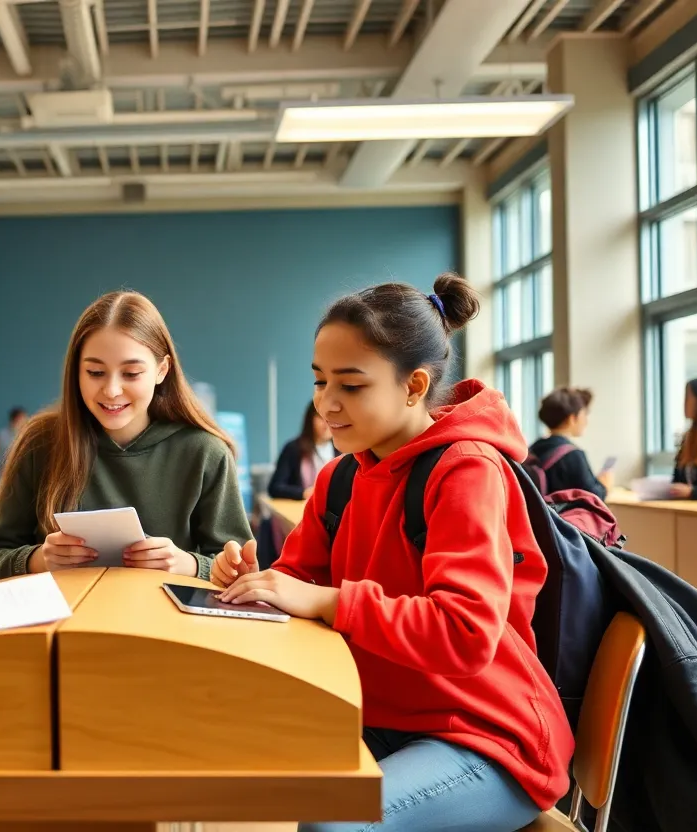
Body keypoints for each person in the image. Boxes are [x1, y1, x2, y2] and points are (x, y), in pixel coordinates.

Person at [212, 274, 574, 832]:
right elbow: (300, 584)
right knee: (215, 756)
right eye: (319, 382)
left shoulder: (466, 469)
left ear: (414, 386)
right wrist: (257, 582)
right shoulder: (339, 479)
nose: (326, 404)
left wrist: (329, 601)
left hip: (485, 738)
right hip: (381, 717)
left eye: (351, 386)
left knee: (333, 824)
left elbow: (467, 632)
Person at [0, 290, 253, 584]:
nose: (111, 390)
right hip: (64, 625)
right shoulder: (41, 442)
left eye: (131, 374)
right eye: (95, 372)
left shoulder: (205, 452)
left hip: (161, 626)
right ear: (76, 371)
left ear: (162, 370)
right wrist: (37, 559)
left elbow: (243, 575)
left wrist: (188, 564)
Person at [528, 387, 612, 499]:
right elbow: (592, 498)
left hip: (536, 516)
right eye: (584, 414)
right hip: (561, 516)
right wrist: (604, 487)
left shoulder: (532, 448)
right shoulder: (573, 455)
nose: (586, 420)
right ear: (572, 418)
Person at [267, 401, 334, 500]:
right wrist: (304, 493)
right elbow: (275, 488)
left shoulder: (343, 451)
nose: (326, 424)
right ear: (310, 419)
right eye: (320, 417)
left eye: (332, 418)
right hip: (300, 508)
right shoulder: (293, 448)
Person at [672, 376, 697, 500]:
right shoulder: (687, 439)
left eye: (688, 398)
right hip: (686, 512)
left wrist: (693, 493)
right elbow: (676, 480)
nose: (684, 404)